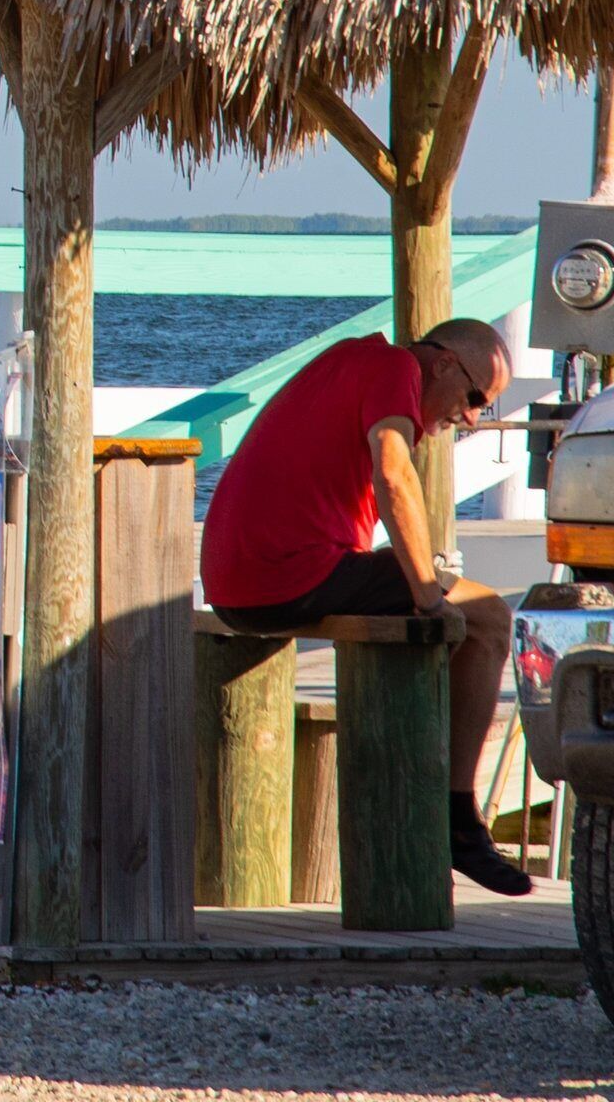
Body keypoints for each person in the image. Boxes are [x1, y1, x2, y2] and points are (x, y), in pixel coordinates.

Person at [199, 316, 532, 896]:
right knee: (489, 619)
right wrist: (427, 589)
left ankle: (444, 808)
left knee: (436, 602)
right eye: (477, 397)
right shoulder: (395, 367)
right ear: (444, 362)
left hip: (238, 582)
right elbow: (394, 470)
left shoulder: (352, 362)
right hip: (289, 573)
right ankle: (457, 821)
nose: (473, 416)